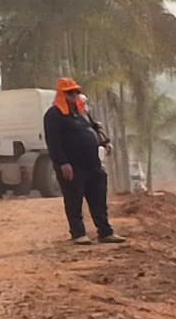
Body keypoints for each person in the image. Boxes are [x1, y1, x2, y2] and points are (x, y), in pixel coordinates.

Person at [42, 80, 119, 243]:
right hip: (72, 166)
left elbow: (94, 128)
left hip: (92, 164)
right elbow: (53, 142)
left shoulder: (82, 112)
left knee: (99, 198)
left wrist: (104, 142)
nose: (74, 95)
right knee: (74, 199)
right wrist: (63, 163)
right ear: (62, 94)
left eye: (76, 92)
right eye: (70, 93)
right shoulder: (53, 115)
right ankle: (78, 234)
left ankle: (105, 232)